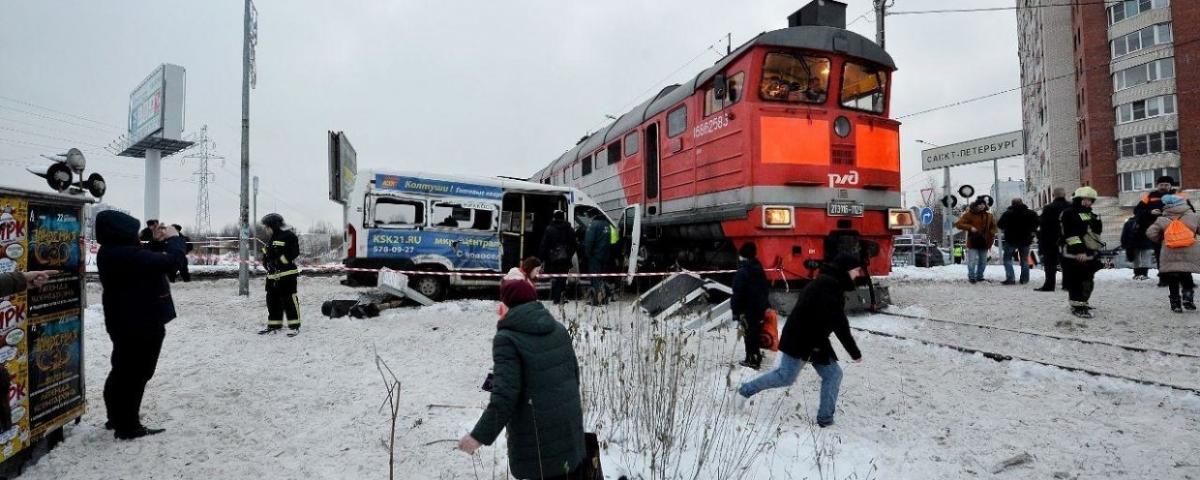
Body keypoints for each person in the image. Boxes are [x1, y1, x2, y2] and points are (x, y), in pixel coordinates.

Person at [458, 278, 586, 479]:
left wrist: (477, 436)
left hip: (537, 435)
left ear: (506, 305)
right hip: (568, 428)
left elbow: (504, 397)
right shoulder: (559, 330)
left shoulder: (507, 339)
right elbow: (574, 376)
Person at [737, 253, 864, 428]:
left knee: (833, 374)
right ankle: (744, 391)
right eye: (856, 271)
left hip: (814, 339)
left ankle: (825, 420)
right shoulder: (828, 287)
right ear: (846, 270)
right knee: (785, 377)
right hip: (800, 338)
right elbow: (839, 324)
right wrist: (854, 352)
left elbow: (833, 321)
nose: (858, 274)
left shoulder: (830, 284)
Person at [95, 211, 187, 440]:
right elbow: (171, 261)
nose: (137, 235)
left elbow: (148, 265)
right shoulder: (124, 255)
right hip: (140, 323)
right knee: (136, 374)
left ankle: (117, 418)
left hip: (125, 321)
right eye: (132, 231)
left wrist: (156, 244)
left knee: (122, 371)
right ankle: (128, 426)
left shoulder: (113, 252)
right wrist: (175, 238)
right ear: (121, 232)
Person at [1145, 194, 1200, 313]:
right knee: (1186, 274)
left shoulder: (1162, 219)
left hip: (1169, 251)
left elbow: (1150, 233)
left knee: (1173, 277)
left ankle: (1175, 304)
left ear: (1166, 205)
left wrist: (1162, 239)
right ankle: (1188, 298)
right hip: (1189, 251)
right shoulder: (1194, 216)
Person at [1135, 176, 1189, 287]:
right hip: (1157, 232)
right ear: (1157, 185)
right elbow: (1137, 210)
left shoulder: (1179, 196)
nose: (1163, 187)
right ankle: (1164, 278)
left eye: (1166, 185)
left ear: (1170, 186)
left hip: (1176, 231)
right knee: (1160, 255)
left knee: (1177, 255)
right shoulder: (1149, 196)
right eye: (1161, 185)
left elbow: (1189, 210)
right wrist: (1150, 212)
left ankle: (1178, 277)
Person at [1061, 187, 1104, 319]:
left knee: (1087, 280)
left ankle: (1083, 302)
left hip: (1089, 253)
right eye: (1084, 199)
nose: (1087, 202)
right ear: (1078, 199)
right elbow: (1070, 234)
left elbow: (1094, 233)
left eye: (1090, 200)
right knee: (1077, 280)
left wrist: (1097, 222)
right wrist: (1079, 251)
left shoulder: (1091, 214)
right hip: (1074, 253)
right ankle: (1077, 306)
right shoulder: (1069, 213)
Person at [258, 213, 301, 336]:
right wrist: (266, 263)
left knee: (289, 301)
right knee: (272, 301)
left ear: (274, 225)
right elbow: (268, 254)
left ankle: (294, 326)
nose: (266, 229)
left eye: (267, 226)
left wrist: (278, 261)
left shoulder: (289, 236)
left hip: (287, 275)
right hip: (272, 277)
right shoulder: (273, 237)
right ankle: (274, 325)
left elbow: (293, 253)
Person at [731, 242, 770, 370]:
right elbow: (765, 288)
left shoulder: (743, 272)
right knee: (755, 332)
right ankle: (755, 356)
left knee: (749, 334)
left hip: (747, 309)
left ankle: (752, 359)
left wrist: (736, 311)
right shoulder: (759, 268)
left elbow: (738, 293)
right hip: (759, 308)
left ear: (742, 256)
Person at [954, 199, 998, 284]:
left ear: (985, 206)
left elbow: (994, 227)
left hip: (984, 242)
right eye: (979, 204)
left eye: (983, 204)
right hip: (973, 242)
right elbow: (959, 224)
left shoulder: (989, 216)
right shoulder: (970, 214)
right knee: (972, 261)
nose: (981, 206)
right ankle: (972, 277)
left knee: (983, 261)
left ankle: (980, 276)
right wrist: (970, 227)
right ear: (976, 205)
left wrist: (991, 232)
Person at [997, 198, 1040, 285]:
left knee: (1007, 259)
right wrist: (1031, 231)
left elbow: (999, 224)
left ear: (1012, 204)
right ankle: (1024, 279)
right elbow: (1037, 224)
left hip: (1011, 240)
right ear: (1022, 203)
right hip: (1025, 240)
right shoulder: (1031, 213)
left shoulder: (1007, 214)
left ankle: (1011, 278)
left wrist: (1007, 229)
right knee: (1024, 260)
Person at [538, 210, 577, 304]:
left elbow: (544, 245)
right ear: (563, 218)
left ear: (554, 217)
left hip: (552, 259)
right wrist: (568, 255)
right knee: (563, 278)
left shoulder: (549, 229)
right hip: (565, 259)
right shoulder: (569, 229)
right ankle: (560, 297)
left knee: (555, 277)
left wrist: (542, 258)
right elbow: (574, 245)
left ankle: (556, 297)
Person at [1036, 188, 1071, 292]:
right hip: (1068, 239)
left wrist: (1040, 238)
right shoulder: (1071, 206)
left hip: (1050, 240)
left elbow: (1043, 225)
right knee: (1067, 262)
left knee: (1050, 263)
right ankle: (1067, 284)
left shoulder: (1048, 208)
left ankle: (1049, 285)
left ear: (1053, 195)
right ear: (1065, 194)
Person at [583, 213, 612, 305]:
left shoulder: (593, 224)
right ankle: (605, 298)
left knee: (595, 278)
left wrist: (588, 254)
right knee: (602, 278)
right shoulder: (607, 225)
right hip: (605, 255)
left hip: (595, 256)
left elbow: (589, 241)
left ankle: (597, 300)